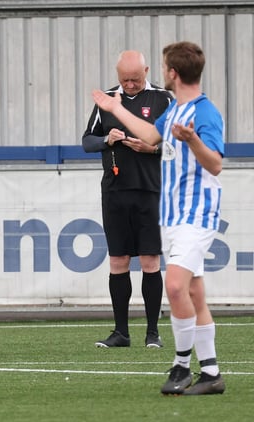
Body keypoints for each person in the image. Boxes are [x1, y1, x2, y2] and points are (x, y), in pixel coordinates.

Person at [92, 41, 225, 395]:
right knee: (194, 291)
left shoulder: (204, 112)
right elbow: (150, 134)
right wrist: (115, 109)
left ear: (171, 73)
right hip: (175, 212)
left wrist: (194, 141)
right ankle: (210, 373)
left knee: (176, 286)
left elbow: (215, 164)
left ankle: (181, 367)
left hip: (196, 212)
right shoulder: (176, 110)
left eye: (165, 66)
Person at [83, 51, 172, 349]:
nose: (131, 85)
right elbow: (86, 141)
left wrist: (152, 149)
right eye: (125, 80)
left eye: (136, 78)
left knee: (150, 260)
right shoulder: (107, 100)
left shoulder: (163, 99)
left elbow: (178, 145)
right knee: (118, 260)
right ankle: (121, 332)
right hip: (114, 191)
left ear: (146, 70)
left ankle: (152, 333)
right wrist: (106, 140)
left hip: (149, 190)